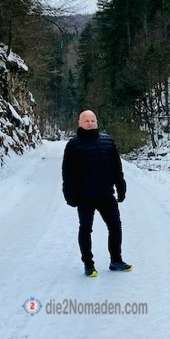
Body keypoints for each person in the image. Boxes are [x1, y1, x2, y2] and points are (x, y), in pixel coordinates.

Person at [62, 110, 131, 277]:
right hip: (84, 196)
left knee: (115, 226)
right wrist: (69, 194)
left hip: (106, 194)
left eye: (93, 120)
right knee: (86, 229)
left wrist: (120, 186)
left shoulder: (108, 141)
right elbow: (67, 172)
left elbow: (116, 167)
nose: (90, 123)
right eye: (86, 120)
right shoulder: (73, 145)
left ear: (97, 122)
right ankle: (88, 264)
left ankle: (116, 260)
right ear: (79, 123)